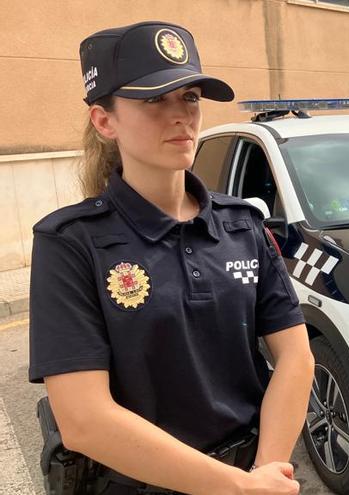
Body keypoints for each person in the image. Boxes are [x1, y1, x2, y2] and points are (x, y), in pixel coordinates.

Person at [28, 21, 312, 495]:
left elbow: (296, 358)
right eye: (154, 100)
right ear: (105, 120)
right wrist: (235, 488)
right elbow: (84, 419)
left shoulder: (240, 225)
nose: (181, 115)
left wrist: (267, 472)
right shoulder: (70, 242)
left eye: (191, 97)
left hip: (250, 473)